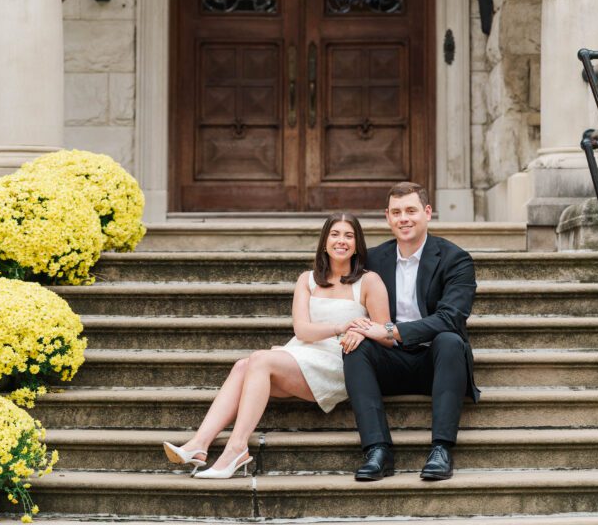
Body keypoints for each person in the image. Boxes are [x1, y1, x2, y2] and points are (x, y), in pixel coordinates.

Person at [162, 212, 390, 479]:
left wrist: (361, 333)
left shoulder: (369, 281)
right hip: (302, 353)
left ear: (357, 244)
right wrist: (339, 327)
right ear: (325, 242)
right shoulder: (307, 279)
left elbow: (385, 331)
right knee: (242, 366)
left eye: (349, 236)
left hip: (340, 363)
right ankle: (200, 444)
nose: (342, 241)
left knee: (259, 360)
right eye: (335, 235)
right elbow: (301, 329)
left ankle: (236, 447)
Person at [342, 182, 480, 482]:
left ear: (427, 213)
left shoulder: (456, 259)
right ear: (387, 217)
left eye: (411, 211)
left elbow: (450, 318)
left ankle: (441, 448)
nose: (403, 218)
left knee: (450, 340)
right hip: (390, 361)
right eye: (396, 212)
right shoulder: (373, 260)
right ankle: (378, 450)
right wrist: (358, 328)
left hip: (437, 362)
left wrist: (391, 330)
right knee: (356, 348)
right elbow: (341, 288)